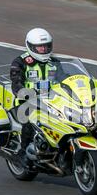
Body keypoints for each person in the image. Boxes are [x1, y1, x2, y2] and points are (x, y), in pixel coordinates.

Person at [10, 28, 59, 162]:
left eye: (46, 46)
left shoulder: (54, 63)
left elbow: (65, 79)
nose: (43, 49)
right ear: (30, 46)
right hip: (26, 102)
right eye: (40, 47)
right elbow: (16, 83)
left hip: (51, 101)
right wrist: (26, 93)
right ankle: (23, 152)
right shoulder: (20, 62)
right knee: (30, 120)